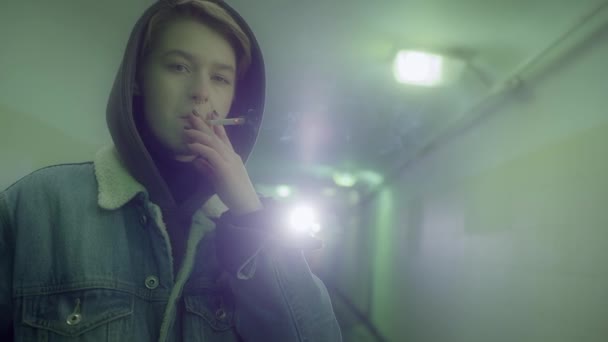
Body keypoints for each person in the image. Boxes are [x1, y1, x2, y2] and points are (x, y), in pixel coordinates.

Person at [0, 0, 342, 340]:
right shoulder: (35, 205)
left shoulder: (252, 219)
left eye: (221, 78)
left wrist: (250, 215)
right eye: (179, 67)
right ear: (137, 79)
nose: (201, 93)